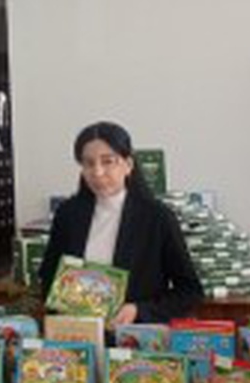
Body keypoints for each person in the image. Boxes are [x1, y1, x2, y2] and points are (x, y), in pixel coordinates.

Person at [39, 121, 204, 326]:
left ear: (128, 165)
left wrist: (139, 310)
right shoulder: (68, 214)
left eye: (108, 161)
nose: (97, 172)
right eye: (88, 163)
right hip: (79, 333)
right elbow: (48, 277)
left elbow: (189, 291)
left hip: (135, 335)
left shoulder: (157, 217)